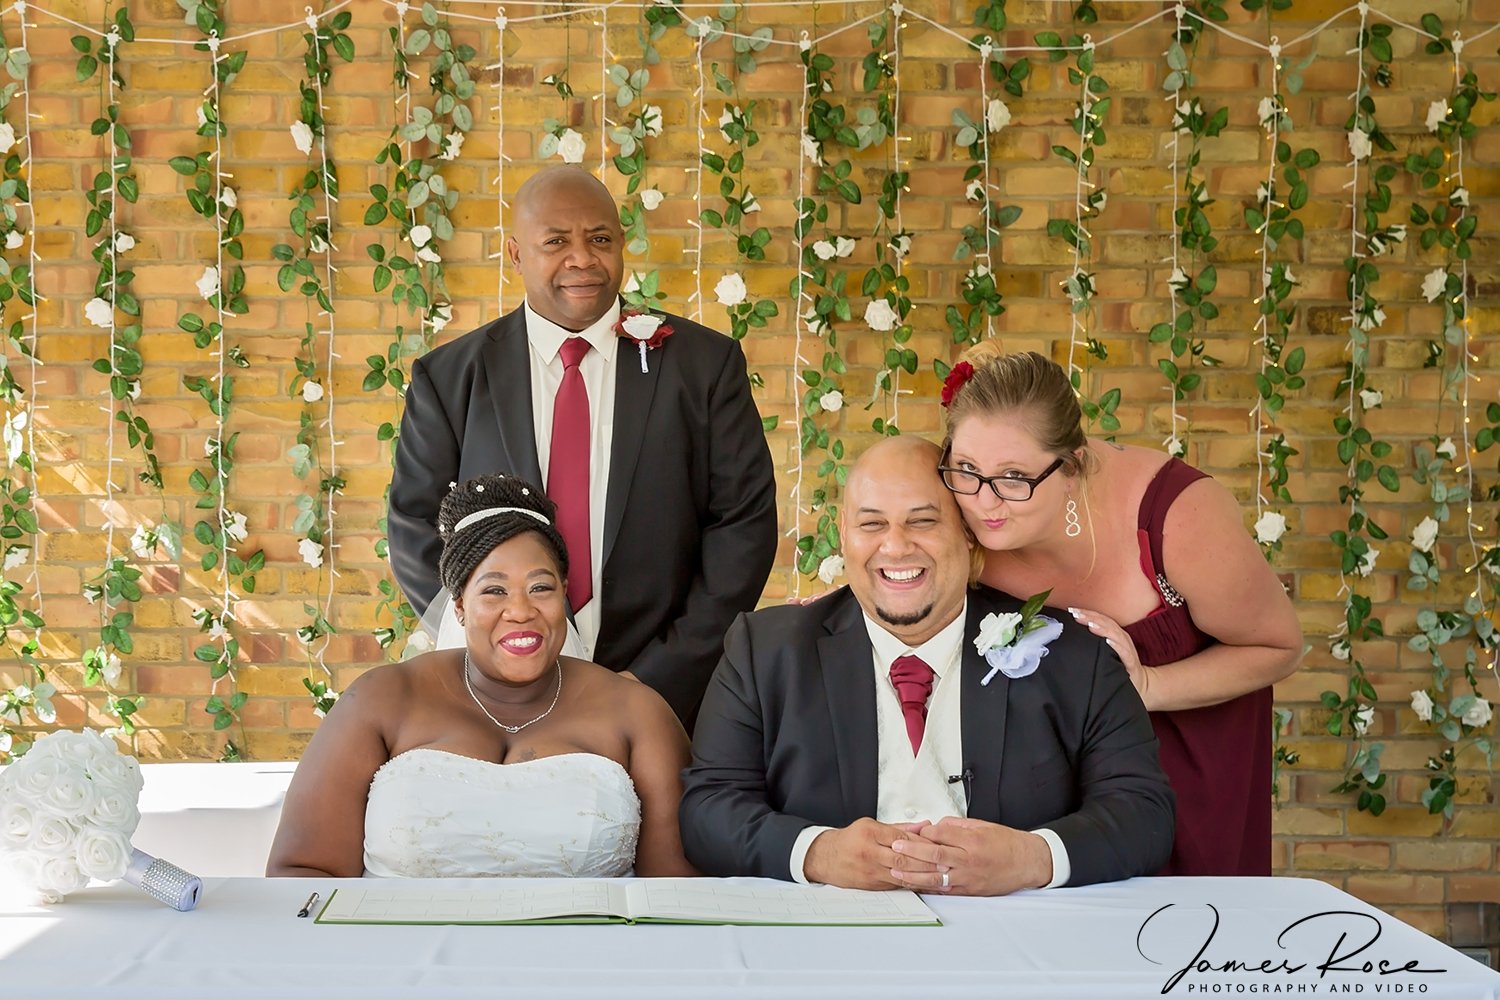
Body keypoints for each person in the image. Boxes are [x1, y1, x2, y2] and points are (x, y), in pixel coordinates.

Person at [680, 436, 1174, 894]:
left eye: (923, 521)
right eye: (872, 523)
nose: (895, 546)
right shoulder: (763, 651)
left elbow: (1143, 812)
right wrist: (817, 853)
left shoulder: (1073, 655)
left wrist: (1032, 858)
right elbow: (708, 809)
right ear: (844, 536)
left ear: (969, 535)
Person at [387, 165, 777, 728]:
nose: (582, 259)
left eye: (600, 239)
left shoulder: (703, 366)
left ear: (621, 244)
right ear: (516, 254)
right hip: (500, 700)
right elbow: (416, 527)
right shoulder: (451, 380)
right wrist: (502, 656)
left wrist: (655, 678)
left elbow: (742, 525)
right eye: (556, 242)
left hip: (669, 699)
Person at [936, 344, 1303, 876]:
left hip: (1183, 768)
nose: (983, 502)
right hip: (1043, 794)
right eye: (966, 467)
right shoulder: (960, 502)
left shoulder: (1179, 518)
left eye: (1014, 477)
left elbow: (1279, 646)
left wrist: (1148, 687)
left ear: (1072, 466)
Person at [268, 474, 695, 879]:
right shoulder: (382, 700)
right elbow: (302, 872)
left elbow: (678, 892)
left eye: (541, 587)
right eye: (494, 590)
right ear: (458, 605)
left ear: (564, 591)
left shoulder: (636, 711)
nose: (521, 610)